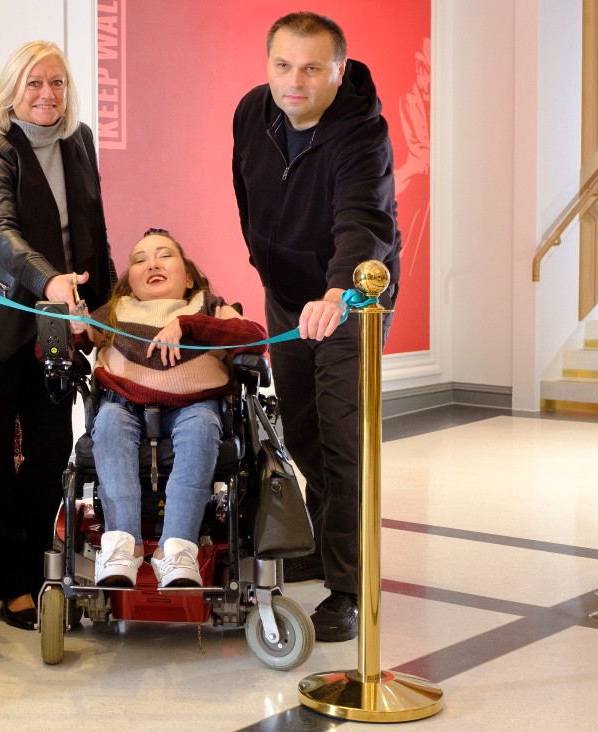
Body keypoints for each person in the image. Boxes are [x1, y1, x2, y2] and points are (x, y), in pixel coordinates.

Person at [231, 11, 401, 643]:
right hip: (288, 293)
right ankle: (329, 544)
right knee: (299, 426)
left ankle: (351, 586)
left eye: (310, 68)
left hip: (352, 294)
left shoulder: (363, 132)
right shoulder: (253, 111)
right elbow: (246, 190)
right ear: (268, 63)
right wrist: (264, 261)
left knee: (341, 432)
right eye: (283, 65)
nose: (293, 81)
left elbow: (364, 219)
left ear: (339, 70)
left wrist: (338, 291)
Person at [0, 40, 115, 630]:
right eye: (34, 83)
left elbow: (91, 229)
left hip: (57, 315)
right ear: (12, 90)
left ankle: (33, 557)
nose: (48, 95)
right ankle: (8, 578)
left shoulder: (80, 141)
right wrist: (53, 284)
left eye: (58, 84)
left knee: (50, 449)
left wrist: (104, 304)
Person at [88, 230, 267, 588]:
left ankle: (177, 549)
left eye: (164, 256)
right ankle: (122, 545)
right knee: (107, 422)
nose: (151, 263)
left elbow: (255, 335)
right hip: (125, 403)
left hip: (195, 404)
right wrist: (71, 327)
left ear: (188, 278)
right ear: (129, 284)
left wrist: (187, 325)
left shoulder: (207, 305)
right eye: (139, 260)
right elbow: (59, 345)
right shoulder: (115, 311)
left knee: (202, 425)